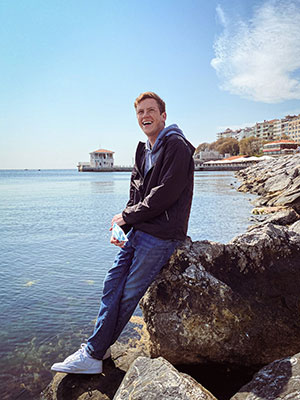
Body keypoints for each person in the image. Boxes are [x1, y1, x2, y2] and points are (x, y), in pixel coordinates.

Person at [51, 92, 195, 374]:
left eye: (151, 111)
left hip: (163, 234)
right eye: (140, 112)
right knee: (111, 285)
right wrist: (123, 226)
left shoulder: (176, 146)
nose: (145, 116)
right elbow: (135, 195)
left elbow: (164, 195)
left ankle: (93, 353)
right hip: (140, 230)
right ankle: (96, 351)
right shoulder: (142, 150)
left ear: (163, 115)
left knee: (129, 293)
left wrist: (127, 216)